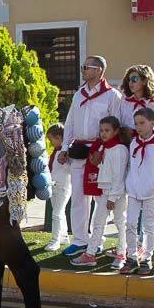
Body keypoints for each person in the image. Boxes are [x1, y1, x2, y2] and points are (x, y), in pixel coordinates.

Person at [59, 55, 122, 257]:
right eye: (83, 67)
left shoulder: (112, 96)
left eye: (86, 67)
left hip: (99, 151)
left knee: (99, 198)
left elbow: (116, 126)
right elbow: (70, 122)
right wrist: (63, 147)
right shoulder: (79, 94)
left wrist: (103, 151)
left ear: (99, 71)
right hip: (78, 150)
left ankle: (97, 238)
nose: (82, 70)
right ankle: (80, 239)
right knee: (78, 196)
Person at [119, 108, 154, 275]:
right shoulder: (134, 142)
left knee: (148, 225)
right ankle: (131, 256)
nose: (139, 127)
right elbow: (131, 165)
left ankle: (147, 257)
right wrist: (129, 181)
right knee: (131, 224)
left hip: (151, 191)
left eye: (142, 123)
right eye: (136, 124)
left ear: (152, 123)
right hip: (134, 190)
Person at [71, 116, 127, 267]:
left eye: (107, 130)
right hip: (105, 190)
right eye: (101, 130)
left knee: (120, 222)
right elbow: (106, 171)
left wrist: (113, 197)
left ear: (116, 131)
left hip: (116, 193)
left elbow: (119, 176)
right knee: (98, 222)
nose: (103, 133)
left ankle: (122, 253)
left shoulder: (119, 149)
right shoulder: (105, 147)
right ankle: (90, 254)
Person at [41, 123, 71, 252]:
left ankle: (55, 240)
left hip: (62, 186)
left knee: (56, 213)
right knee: (59, 211)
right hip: (55, 185)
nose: (50, 142)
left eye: (51, 139)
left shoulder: (66, 152)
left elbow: (69, 169)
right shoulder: (56, 152)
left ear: (59, 137)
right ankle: (63, 236)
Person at [117, 65, 154, 139]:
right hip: (125, 146)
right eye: (128, 80)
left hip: (147, 147)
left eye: (134, 79)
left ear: (144, 81)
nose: (130, 83)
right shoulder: (124, 103)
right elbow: (117, 125)